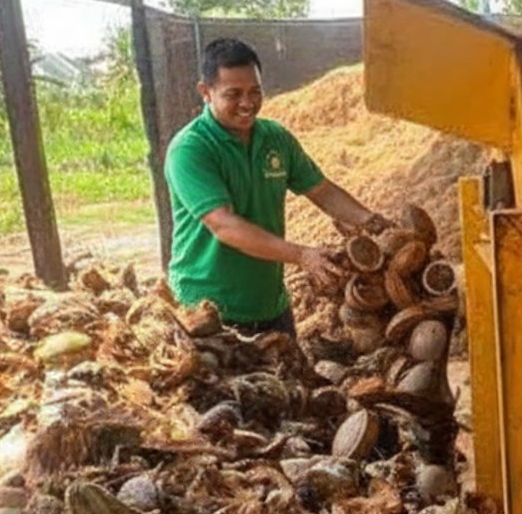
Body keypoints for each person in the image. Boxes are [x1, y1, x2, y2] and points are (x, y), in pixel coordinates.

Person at [163, 37, 391, 335]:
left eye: (255, 92)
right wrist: (302, 255)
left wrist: (371, 222)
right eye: (233, 94)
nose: (247, 103)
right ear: (205, 92)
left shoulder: (275, 138)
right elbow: (224, 225)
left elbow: (321, 190)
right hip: (208, 312)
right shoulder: (190, 149)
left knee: (288, 382)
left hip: (270, 306)